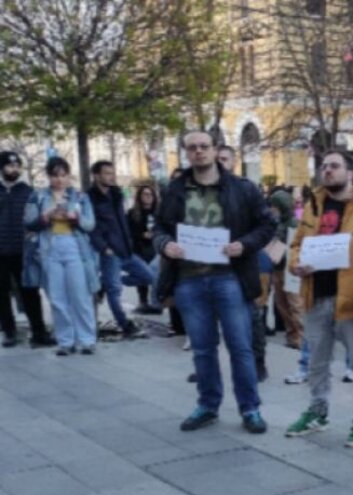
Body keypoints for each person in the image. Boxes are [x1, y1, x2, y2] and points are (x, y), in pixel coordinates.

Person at [153, 131, 276, 434]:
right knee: (203, 350)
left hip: (230, 277)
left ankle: (250, 408)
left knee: (241, 348)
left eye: (204, 146)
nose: (199, 152)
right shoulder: (175, 189)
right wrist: (165, 244)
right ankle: (208, 405)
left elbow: (267, 224)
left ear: (214, 149)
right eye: (192, 148)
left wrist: (244, 245)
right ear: (186, 153)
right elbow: (159, 228)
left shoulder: (241, 188)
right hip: (189, 280)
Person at [286, 151, 353, 447]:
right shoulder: (313, 205)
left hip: (352, 299)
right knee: (317, 362)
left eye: (334, 166)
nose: (327, 170)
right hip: (315, 295)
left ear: (351, 173)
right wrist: (295, 264)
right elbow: (297, 244)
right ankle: (317, 412)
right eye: (324, 166)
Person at [24, 157, 100, 355]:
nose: (59, 180)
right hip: (49, 248)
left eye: (63, 175)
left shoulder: (80, 196)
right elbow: (29, 222)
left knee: (80, 295)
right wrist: (46, 216)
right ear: (49, 176)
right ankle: (65, 341)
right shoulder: (38, 196)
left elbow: (90, 224)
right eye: (54, 175)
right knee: (57, 298)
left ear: (68, 176)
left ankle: (87, 340)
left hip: (75, 247)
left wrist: (75, 218)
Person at [88, 161, 154, 339]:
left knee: (148, 276)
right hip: (110, 252)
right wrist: (104, 247)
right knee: (114, 292)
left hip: (126, 248)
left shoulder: (116, 193)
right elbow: (91, 228)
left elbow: (123, 220)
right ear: (96, 176)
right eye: (107, 173)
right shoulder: (90, 198)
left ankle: (105, 283)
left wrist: (129, 241)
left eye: (112, 172)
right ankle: (125, 325)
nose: (112, 176)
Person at [0, 151, 54, 347]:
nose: (14, 169)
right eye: (10, 166)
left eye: (17, 166)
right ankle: (9, 332)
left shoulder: (28, 191)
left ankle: (39, 332)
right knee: (2, 294)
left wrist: (41, 223)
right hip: (1, 252)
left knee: (30, 291)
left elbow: (35, 220)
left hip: (24, 251)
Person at [267, 189, 303, 349]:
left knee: (295, 305)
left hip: (290, 269)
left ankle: (301, 337)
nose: (272, 209)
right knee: (282, 305)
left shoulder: (293, 224)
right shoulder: (277, 223)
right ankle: (292, 336)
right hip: (278, 268)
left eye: (275, 206)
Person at [127, 184, 164, 314]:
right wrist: (142, 235)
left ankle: (156, 302)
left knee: (156, 276)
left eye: (150, 194)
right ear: (140, 196)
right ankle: (143, 301)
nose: (148, 197)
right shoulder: (133, 213)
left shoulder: (159, 212)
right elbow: (129, 231)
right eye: (145, 194)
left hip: (155, 248)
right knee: (142, 275)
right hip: (140, 248)